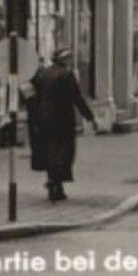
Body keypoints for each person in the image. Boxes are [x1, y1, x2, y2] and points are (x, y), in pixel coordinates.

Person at [26, 47, 96, 202]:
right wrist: (90, 117)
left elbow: (30, 94)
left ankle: (54, 182)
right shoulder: (66, 75)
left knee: (49, 149)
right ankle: (55, 183)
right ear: (64, 60)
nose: (70, 60)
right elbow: (76, 98)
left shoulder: (43, 74)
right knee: (62, 151)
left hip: (43, 118)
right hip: (62, 118)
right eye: (69, 58)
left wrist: (35, 113)